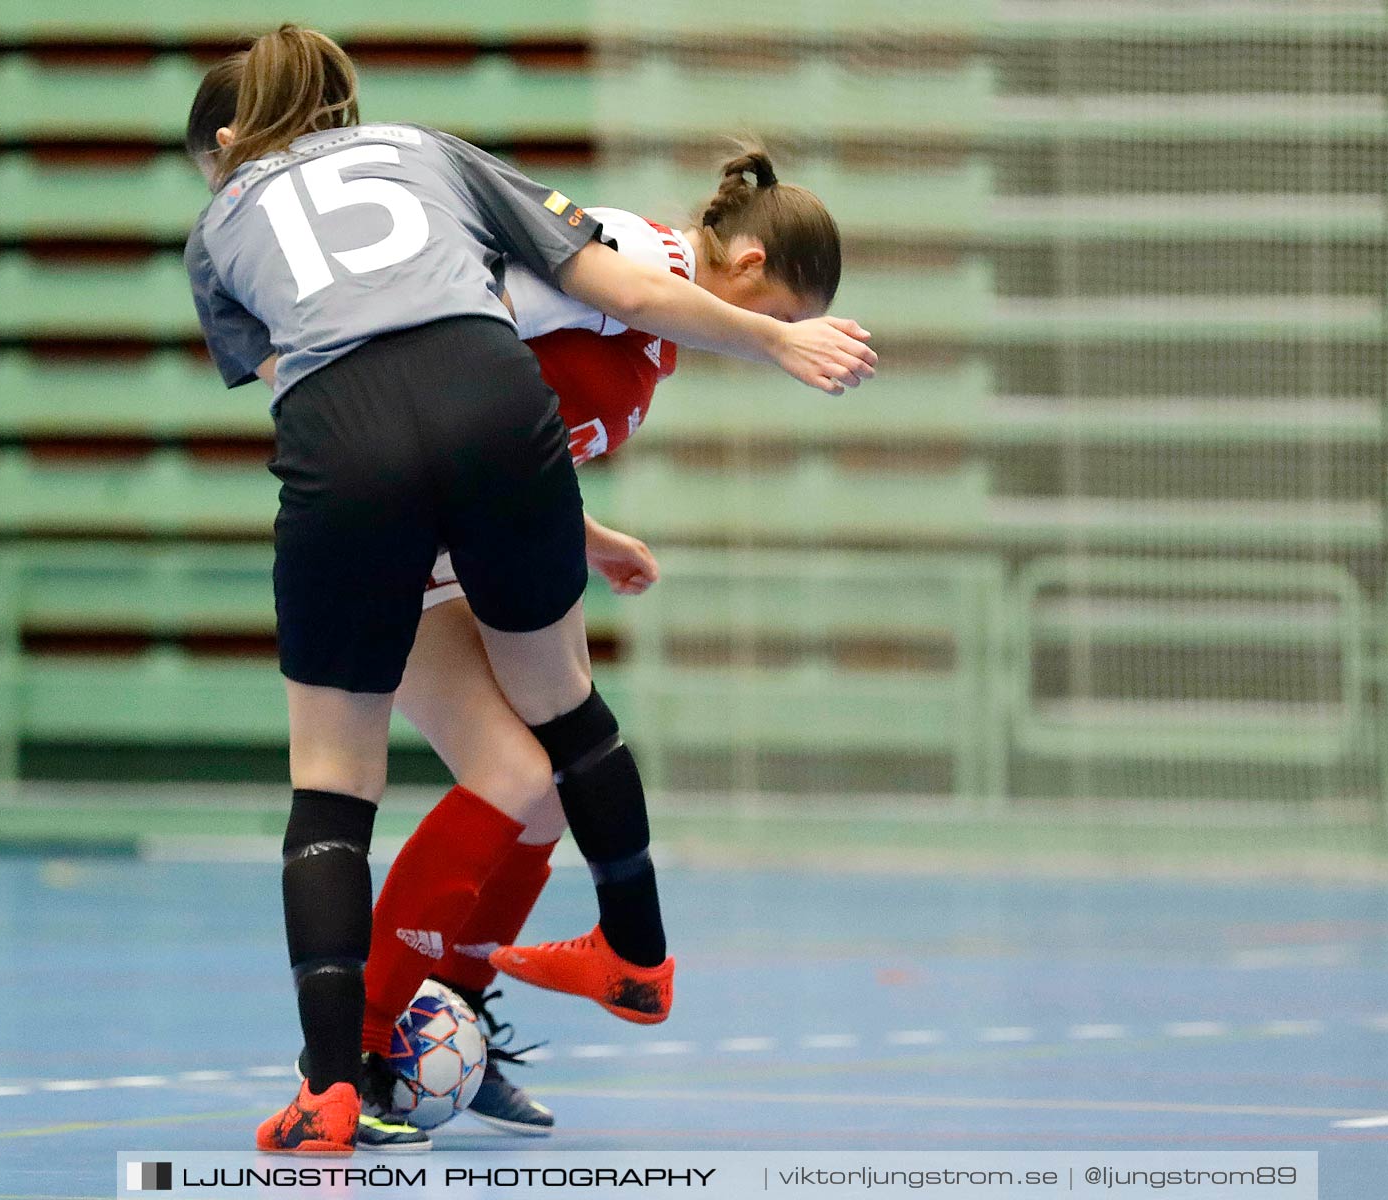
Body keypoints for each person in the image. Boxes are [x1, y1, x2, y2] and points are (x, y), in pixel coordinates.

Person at [182, 27, 874, 1154]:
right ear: (748, 271)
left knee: (528, 786)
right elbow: (483, 334)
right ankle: (383, 1037)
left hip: (394, 485)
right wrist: (767, 345)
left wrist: (581, 531)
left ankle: (415, 1034)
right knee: (531, 762)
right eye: (783, 315)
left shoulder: (225, 226)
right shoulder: (605, 246)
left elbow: (363, 374)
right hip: (433, 525)